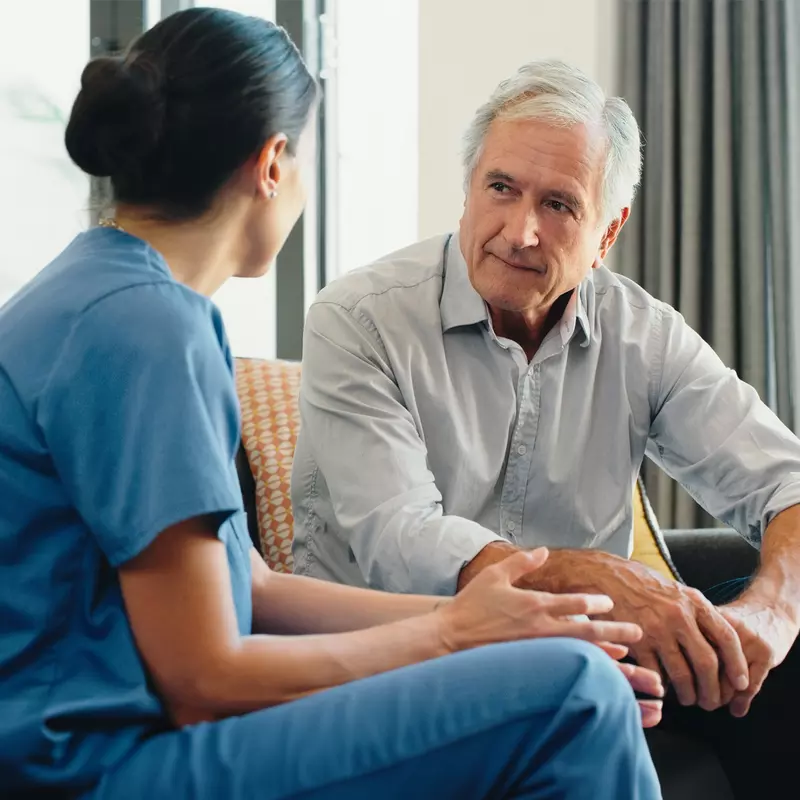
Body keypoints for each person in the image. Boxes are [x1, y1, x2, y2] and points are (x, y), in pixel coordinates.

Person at [0, 11, 665, 800]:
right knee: (575, 695)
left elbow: (251, 589)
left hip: (99, 745)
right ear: (273, 163)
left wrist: (493, 619)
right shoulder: (146, 326)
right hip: (94, 768)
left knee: (559, 669)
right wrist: (452, 632)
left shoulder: (105, 292)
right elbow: (204, 674)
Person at [291, 59, 800, 796]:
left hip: (593, 667)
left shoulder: (642, 334)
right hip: (403, 660)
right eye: (501, 189)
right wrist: (588, 575)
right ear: (468, 188)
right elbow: (398, 538)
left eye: (560, 204)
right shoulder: (359, 320)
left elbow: (786, 482)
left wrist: (772, 617)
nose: (521, 231)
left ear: (608, 230)